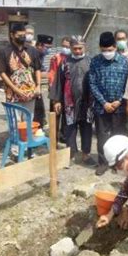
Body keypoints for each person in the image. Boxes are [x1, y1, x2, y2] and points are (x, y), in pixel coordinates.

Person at [50, 36, 96, 166]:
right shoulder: (64, 62)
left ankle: (86, 154)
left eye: (79, 48)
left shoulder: (91, 62)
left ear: (84, 47)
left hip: (87, 102)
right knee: (70, 128)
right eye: (74, 48)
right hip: (69, 102)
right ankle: (70, 154)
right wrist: (57, 101)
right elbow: (58, 82)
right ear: (70, 48)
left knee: (86, 128)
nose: (77, 51)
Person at [89, 31, 128, 176]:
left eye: (110, 50)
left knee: (118, 135)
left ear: (115, 47)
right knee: (102, 135)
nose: (107, 52)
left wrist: (119, 100)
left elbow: (127, 83)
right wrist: (104, 102)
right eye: (104, 50)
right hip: (101, 107)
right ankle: (103, 163)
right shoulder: (95, 61)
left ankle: (118, 162)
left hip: (119, 106)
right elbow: (92, 83)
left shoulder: (124, 62)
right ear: (100, 48)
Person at [0, 23, 42, 118]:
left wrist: (38, 86)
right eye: (19, 36)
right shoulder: (4, 51)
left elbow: (37, 68)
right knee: (15, 123)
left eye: (23, 35)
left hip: (30, 92)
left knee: (28, 120)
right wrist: (15, 89)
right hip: (13, 93)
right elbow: (1, 72)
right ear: (12, 35)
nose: (22, 38)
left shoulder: (32, 50)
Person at [48, 36, 71, 143]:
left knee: (67, 117)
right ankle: (54, 140)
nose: (65, 48)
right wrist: (53, 91)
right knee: (55, 116)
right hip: (56, 90)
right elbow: (52, 74)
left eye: (67, 46)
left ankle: (64, 136)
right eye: (63, 46)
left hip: (68, 93)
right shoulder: (55, 58)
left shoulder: (72, 58)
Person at [114, 29, 128, 133]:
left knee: (125, 122)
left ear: (126, 39)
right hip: (114, 93)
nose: (120, 41)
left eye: (122, 39)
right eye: (118, 39)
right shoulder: (112, 54)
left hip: (127, 93)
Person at [34, 34, 54, 128]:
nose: (49, 50)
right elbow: (35, 72)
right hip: (31, 86)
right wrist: (51, 74)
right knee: (37, 109)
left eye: (50, 47)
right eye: (47, 47)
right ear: (39, 45)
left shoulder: (41, 55)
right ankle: (37, 128)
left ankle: (39, 126)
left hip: (37, 86)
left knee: (40, 109)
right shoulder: (33, 54)